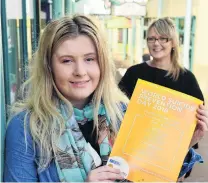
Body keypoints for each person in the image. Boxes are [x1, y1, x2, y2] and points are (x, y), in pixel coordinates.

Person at [3, 15, 207, 182]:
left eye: (90, 59)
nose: (80, 71)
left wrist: (183, 143)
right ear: (48, 67)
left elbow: (153, 173)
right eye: (66, 61)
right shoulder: (26, 128)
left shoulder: (122, 112)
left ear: (102, 63)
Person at [119, 17, 208, 179]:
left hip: (169, 159)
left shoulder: (187, 79)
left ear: (173, 42)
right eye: (151, 38)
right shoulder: (134, 74)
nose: (156, 43)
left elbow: (194, 124)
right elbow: (116, 111)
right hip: (134, 154)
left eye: (162, 38)